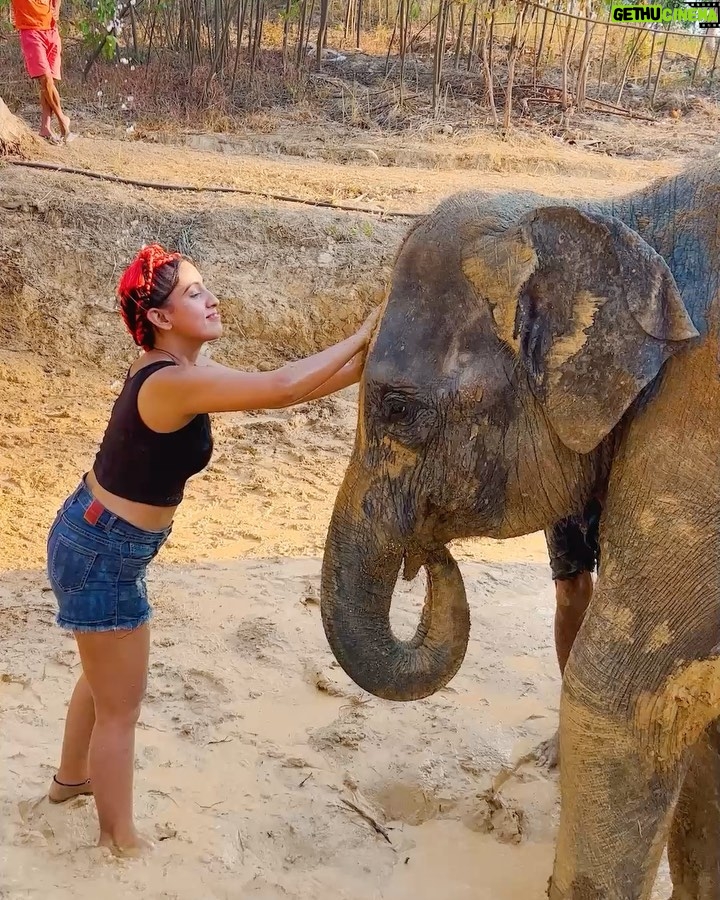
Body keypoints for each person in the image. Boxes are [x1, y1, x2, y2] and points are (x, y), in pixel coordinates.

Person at [45, 244, 381, 855]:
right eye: (194, 293)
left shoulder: (172, 373)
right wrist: (360, 333)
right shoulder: (170, 382)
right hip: (103, 549)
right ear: (162, 318)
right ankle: (120, 843)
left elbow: (293, 390)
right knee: (120, 707)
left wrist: (370, 359)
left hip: (97, 538)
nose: (211, 298)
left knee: (100, 678)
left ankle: (71, 783)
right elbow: (280, 387)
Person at [10, 0, 77, 144]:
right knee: (46, 79)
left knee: (49, 81)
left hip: (52, 29)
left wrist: (56, 7)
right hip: (30, 30)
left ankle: (45, 127)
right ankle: (62, 120)